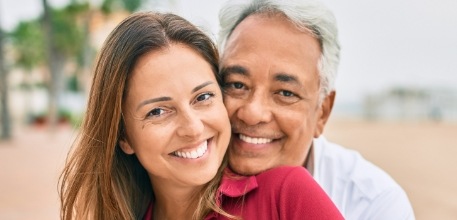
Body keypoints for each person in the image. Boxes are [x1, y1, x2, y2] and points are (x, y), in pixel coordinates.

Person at [59, 11, 343, 220]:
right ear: (123, 136)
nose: (193, 128)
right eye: (158, 111)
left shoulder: (287, 196)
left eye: (203, 97)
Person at [217, 0, 416, 219]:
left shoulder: (373, 204)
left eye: (285, 93)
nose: (253, 113)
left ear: (322, 112)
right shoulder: (181, 180)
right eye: (237, 85)